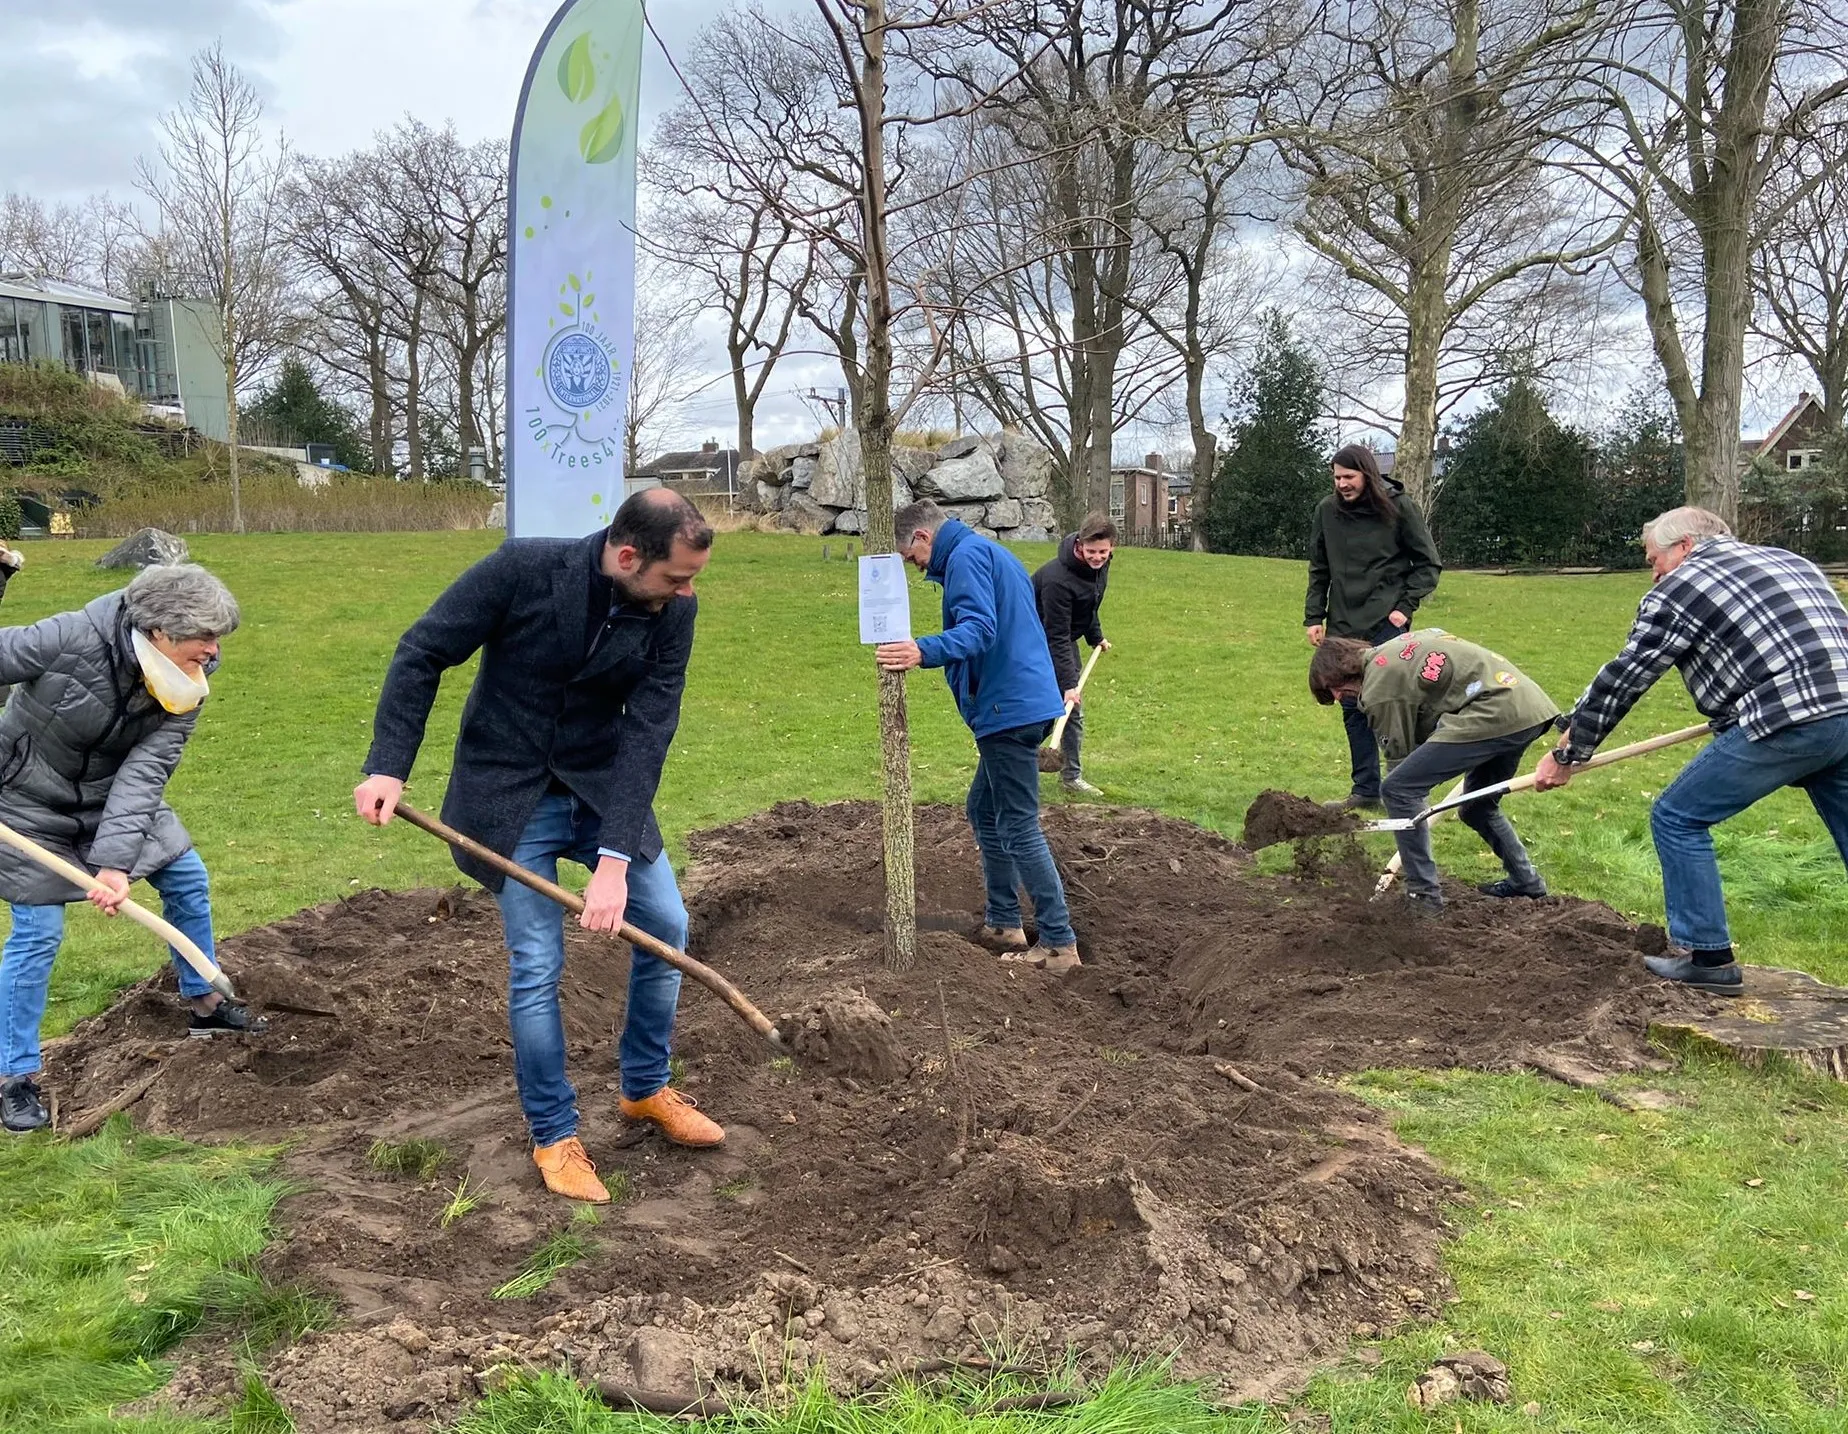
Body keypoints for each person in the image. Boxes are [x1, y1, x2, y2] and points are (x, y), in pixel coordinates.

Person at [354, 489, 722, 1203]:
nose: (687, 590)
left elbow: (649, 730)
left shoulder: (674, 612)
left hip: (598, 784)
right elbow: (422, 651)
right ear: (626, 556)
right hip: (508, 789)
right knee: (537, 960)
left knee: (666, 924)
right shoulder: (522, 571)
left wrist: (615, 860)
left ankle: (644, 1089)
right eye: (676, 575)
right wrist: (389, 765)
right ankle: (555, 1134)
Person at [1535, 507, 1848, 995]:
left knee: (1677, 817)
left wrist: (1570, 751)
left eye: (1653, 558)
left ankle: (1708, 959)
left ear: (1683, 547)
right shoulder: (1791, 561)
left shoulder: (1681, 587)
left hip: (1790, 718)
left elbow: (1628, 674)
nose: (1653, 570)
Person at [1, 563, 261, 1135]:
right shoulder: (69, 637)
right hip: (23, 804)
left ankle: (206, 1006)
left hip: (110, 798)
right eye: (204, 639)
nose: (214, 652)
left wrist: (115, 864)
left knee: (186, 877)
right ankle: (14, 1077)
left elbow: (144, 776)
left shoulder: (187, 683)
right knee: (38, 932)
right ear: (160, 633)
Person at [876, 499, 1081, 972]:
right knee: (983, 810)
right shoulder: (989, 553)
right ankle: (1004, 920)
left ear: (923, 537)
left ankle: (1057, 941)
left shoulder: (966, 558)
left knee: (1016, 822)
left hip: (1007, 708)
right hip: (1021, 701)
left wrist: (920, 651)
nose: (914, 567)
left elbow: (980, 630)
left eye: (911, 556)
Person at [1309, 627, 1559, 915]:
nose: (1339, 697)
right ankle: (1527, 882)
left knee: (1397, 790)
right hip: (1526, 707)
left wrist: (1405, 806)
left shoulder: (1379, 690)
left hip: (1492, 711)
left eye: (1333, 689)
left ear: (1341, 672)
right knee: (1476, 807)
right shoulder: (1393, 649)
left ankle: (1423, 896)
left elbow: (1401, 767)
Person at [1305, 444, 1443, 811]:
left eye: (1348, 477)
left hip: (1386, 626)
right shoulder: (1326, 512)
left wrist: (1403, 607)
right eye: (1336, 478)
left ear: (1368, 474)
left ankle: (1408, 789)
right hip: (1342, 626)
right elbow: (1319, 569)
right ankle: (1365, 790)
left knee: (1391, 706)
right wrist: (1313, 616)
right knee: (1351, 707)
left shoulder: (1399, 507)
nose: (1342, 484)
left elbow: (1428, 564)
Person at [1032, 513, 1114, 795]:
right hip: (1034, 641)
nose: (1098, 557)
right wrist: (1069, 685)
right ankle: (1013, 763)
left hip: (1061, 637)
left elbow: (1088, 605)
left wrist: (1095, 636)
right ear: (1079, 545)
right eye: (1092, 552)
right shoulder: (1058, 580)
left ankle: (1070, 777)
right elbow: (1056, 635)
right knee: (1045, 709)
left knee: (1071, 712)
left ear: (1112, 547)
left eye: (1103, 552)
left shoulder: (1099, 567)